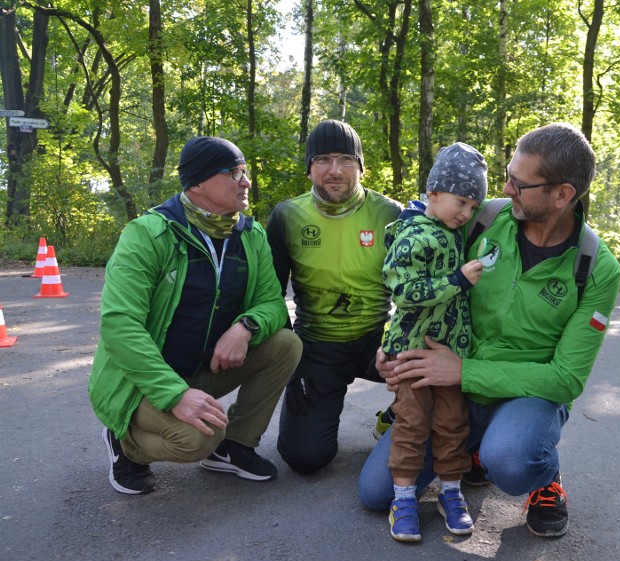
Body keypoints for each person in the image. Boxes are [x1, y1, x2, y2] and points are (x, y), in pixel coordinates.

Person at [358, 123, 620, 538]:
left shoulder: (595, 268)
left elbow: (566, 378)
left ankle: (543, 473)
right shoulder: (482, 218)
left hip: (524, 395)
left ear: (563, 194)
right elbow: (419, 238)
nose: (506, 187)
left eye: (519, 183)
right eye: (508, 175)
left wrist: (464, 371)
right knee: (376, 493)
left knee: (514, 463)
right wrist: (393, 342)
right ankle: (474, 451)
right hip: (453, 390)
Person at [88, 136, 303, 495]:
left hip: (201, 369)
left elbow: (272, 304)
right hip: (139, 383)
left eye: (244, 171)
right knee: (196, 439)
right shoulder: (147, 235)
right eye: (233, 173)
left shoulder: (250, 235)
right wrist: (174, 395)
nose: (246, 181)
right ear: (198, 182)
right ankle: (126, 444)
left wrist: (245, 326)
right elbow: (120, 326)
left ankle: (234, 447)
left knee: (286, 343)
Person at [266, 119, 403, 474]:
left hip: (378, 336)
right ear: (309, 168)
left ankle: (399, 414)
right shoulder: (287, 215)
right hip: (317, 344)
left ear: (361, 167)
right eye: (323, 159)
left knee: (433, 370)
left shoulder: (391, 214)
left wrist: (406, 343)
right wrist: (290, 358)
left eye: (345, 159)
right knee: (305, 458)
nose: (335, 170)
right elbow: (271, 294)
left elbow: (414, 292)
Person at [382, 142, 486, 542]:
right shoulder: (413, 235)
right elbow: (404, 292)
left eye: (473, 206)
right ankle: (404, 498)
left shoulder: (452, 231)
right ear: (433, 194)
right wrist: (455, 280)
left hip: (450, 357)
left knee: (451, 425)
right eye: (460, 201)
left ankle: (451, 492)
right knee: (411, 424)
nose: (465, 212)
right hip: (411, 353)